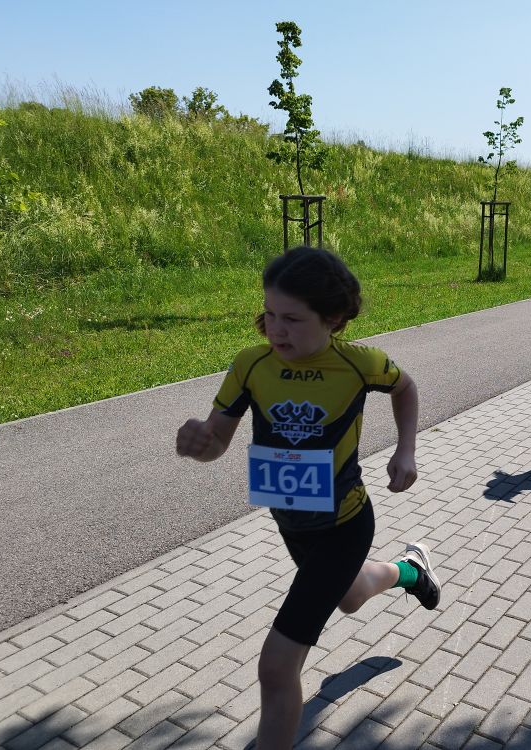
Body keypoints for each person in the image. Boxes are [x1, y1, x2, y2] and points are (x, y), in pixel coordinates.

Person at [176, 246, 441, 749]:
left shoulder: (358, 363)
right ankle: (410, 569)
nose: (276, 330)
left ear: (333, 318)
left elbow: (405, 388)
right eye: (270, 314)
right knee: (351, 597)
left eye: (293, 319)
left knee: (277, 666)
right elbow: (217, 441)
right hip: (292, 525)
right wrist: (199, 445)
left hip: (345, 525)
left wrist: (406, 449)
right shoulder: (251, 365)